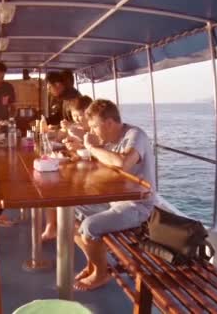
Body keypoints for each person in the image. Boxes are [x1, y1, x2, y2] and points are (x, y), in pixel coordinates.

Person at [73, 99, 156, 291]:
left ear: (109, 123)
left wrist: (93, 148)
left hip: (138, 206)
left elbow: (123, 163)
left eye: (94, 127)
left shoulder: (135, 136)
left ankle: (101, 274)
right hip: (113, 201)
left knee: (89, 226)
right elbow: (104, 162)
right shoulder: (109, 140)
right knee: (71, 215)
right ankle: (94, 264)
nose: (92, 131)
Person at [42, 95, 93, 241]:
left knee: (59, 191)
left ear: (89, 113)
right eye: (74, 116)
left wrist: (80, 144)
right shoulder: (76, 127)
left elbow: (97, 148)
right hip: (80, 168)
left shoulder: (95, 129)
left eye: (80, 116)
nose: (77, 119)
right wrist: (67, 135)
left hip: (90, 175)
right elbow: (60, 139)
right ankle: (51, 227)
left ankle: (64, 230)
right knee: (50, 188)